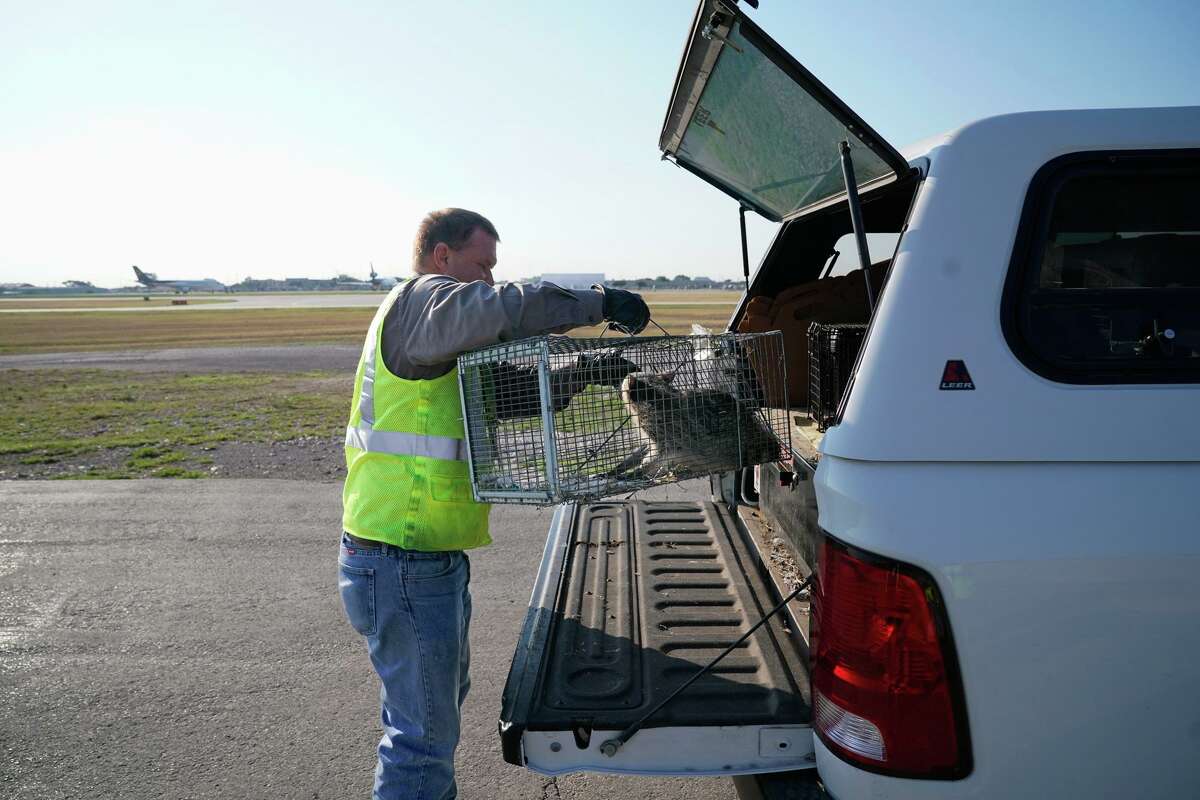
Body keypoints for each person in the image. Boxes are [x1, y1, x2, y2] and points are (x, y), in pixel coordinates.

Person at [337, 208, 649, 800]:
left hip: (421, 555)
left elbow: (502, 393)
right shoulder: (423, 303)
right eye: (480, 265)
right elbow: (504, 308)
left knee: (429, 718)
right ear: (441, 257)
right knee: (421, 742)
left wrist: (587, 368)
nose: (486, 280)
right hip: (400, 556)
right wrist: (596, 302)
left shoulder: (435, 335)